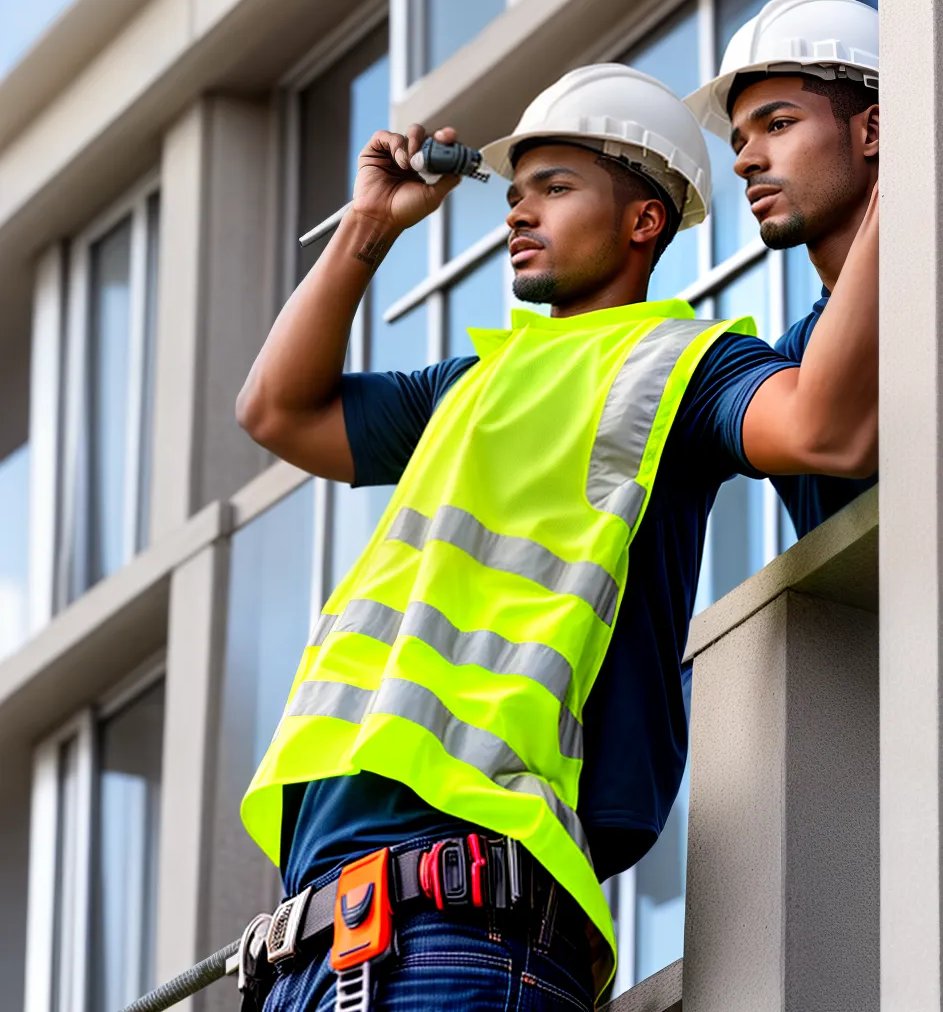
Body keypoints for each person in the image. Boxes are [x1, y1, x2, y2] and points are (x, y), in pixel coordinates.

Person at [234, 64, 877, 1011]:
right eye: (518, 191)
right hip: (313, 946)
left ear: (643, 222)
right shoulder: (468, 387)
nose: (518, 214)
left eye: (557, 187)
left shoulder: (685, 365)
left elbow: (825, 430)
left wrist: (907, 179)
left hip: (462, 928)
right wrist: (370, 227)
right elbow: (276, 411)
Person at [685, 0, 880, 537]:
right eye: (740, 140)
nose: (744, 160)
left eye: (777, 124)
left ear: (874, 131)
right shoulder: (788, 364)